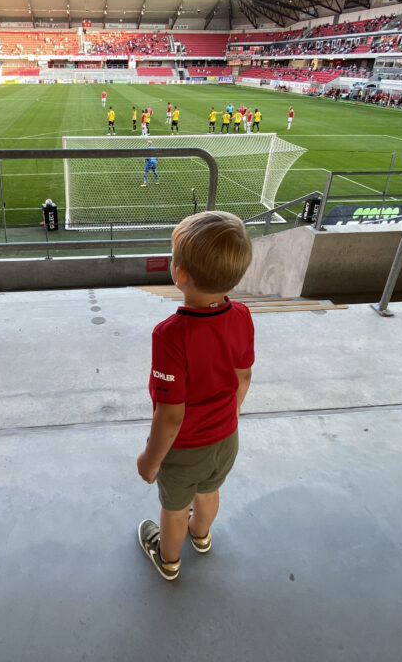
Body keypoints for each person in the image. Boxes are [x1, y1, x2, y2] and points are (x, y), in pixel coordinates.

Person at [137, 210, 254, 581]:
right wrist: (226, 419)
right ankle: (200, 536)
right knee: (209, 491)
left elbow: (170, 415)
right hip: (226, 439)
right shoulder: (242, 316)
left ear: (180, 274)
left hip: (186, 449)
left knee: (173, 509)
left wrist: (150, 460)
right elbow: (244, 377)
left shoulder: (170, 335)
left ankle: (168, 559)